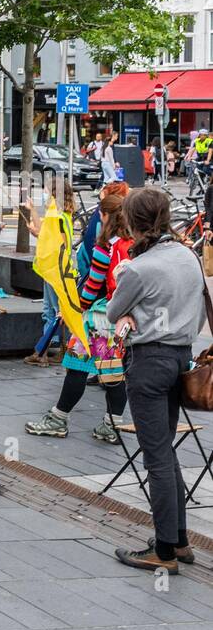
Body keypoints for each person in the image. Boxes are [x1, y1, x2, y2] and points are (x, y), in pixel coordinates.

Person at [109, 189, 207, 573]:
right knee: (166, 450)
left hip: (148, 362)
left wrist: (129, 301)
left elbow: (114, 310)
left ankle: (164, 552)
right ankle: (179, 541)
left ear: (132, 223)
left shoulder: (138, 268)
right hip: (182, 357)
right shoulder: (189, 256)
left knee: (157, 457)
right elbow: (198, 309)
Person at [25, 188, 132, 443]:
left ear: (106, 216)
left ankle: (58, 419)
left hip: (98, 320)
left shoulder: (105, 248)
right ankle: (113, 425)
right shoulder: (132, 244)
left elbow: (93, 286)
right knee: (113, 373)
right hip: (121, 319)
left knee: (77, 367)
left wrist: (74, 309)